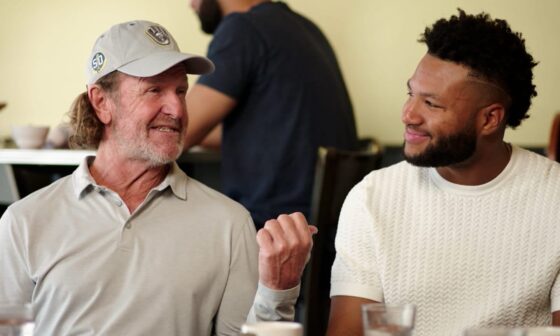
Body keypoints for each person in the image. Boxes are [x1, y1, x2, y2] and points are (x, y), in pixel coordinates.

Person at [0, 20, 316, 336]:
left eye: (181, 90)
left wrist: (279, 290)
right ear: (101, 102)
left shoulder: (229, 224)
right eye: (155, 90)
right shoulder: (25, 221)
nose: (177, 109)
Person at [327, 9, 560, 336]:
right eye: (411, 94)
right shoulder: (372, 198)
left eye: (431, 104)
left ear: (490, 120)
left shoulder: (555, 198)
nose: (408, 114)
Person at [186, 0, 359, 229]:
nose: (191, 4)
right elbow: (265, 130)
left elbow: (177, 130)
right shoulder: (306, 28)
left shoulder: (243, 29)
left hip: (273, 231)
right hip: (320, 232)